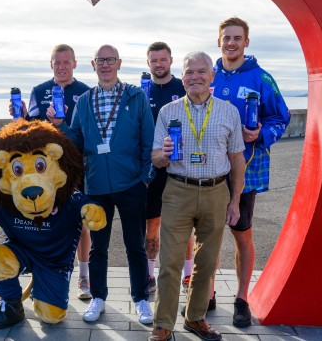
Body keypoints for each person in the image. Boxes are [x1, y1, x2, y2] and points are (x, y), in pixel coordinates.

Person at [47, 44, 155, 325]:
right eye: (100, 61)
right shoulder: (84, 101)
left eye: (110, 60)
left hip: (131, 184)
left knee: (135, 245)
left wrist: (145, 179)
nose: (105, 65)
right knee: (99, 248)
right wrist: (59, 125)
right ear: (93, 65)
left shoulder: (136, 97)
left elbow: (149, 140)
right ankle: (98, 297)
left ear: (119, 63)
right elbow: (75, 140)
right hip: (96, 186)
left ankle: (141, 299)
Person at [149, 51, 246, 341]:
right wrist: (164, 155)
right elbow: (155, 158)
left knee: (207, 262)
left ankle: (195, 318)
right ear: (182, 77)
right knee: (170, 261)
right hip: (178, 190)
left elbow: (237, 159)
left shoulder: (229, 112)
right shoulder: (168, 112)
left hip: (216, 191)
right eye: (189, 72)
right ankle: (163, 324)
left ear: (212, 76)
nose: (195, 77)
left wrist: (235, 201)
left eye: (201, 71)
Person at [212, 17, 291, 328]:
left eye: (237, 38)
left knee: (241, 235)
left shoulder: (262, 78)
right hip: (208, 170)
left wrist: (260, 134)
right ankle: (206, 293)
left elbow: (281, 118)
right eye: (226, 38)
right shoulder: (208, 75)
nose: (231, 43)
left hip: (244, 171)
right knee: (208, 236)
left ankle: (242, 298)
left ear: (246, 42)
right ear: (218, 41)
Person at [13, 43, 93, 300]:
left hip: (77, 167)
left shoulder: (86, 92)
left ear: (74, 64)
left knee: (81, 222)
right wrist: (22, 117)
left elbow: (88, 133)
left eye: (66, 62)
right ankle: (43, 275)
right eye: (57, 62)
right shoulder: (39, 91)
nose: (61, 67)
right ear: (51, 64)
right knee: (45, 223)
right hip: (46, 171)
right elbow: (30, 129)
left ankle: (84, 277)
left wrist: (64, 124)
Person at [143, 42, 186, 295]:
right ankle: (149, 274)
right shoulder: (141, 92)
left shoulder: (183, 87)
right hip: (152, 169)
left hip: (180, 167)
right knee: (152, 224)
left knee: (184, 226)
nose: (158, 64)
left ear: (170, 60)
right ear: (148, 63)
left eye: (163, 59)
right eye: (154, 60)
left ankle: (188, 275)